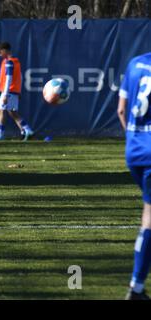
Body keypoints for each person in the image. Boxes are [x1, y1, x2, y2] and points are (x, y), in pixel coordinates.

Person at [117, 52, 151, 300]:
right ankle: (136, 286)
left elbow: (121, 110)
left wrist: (135, 140)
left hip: (134, 152)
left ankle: (137, 288)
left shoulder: (135, 63)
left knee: (148, 214)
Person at [0, 42, 34, 141]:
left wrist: (5, 94)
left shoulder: (9, 62)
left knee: (1, 111)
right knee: (13, 112)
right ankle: (27, 130)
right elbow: (1, 75)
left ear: (5, 50)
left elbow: (9, 78)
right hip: (13, 91)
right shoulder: (13, 61)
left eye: (0, 52)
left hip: (8, 91)